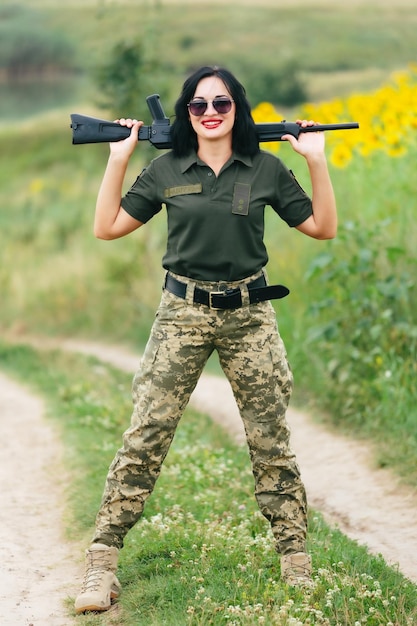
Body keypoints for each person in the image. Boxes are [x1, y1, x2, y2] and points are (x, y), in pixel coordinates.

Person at [74, 65, 337, 614]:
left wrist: (316, 160)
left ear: (238, 108)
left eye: (221, 103)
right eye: (198, 105)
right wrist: (117, 161)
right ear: (186, 113)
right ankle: (101, 565)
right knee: (146, 434)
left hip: (250, 313)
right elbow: (107, 227)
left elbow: (321, 228)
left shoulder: (265, 168)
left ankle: (296, 564)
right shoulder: (166, 168)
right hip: (182, 313)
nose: (211, 113)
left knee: (271, 441)